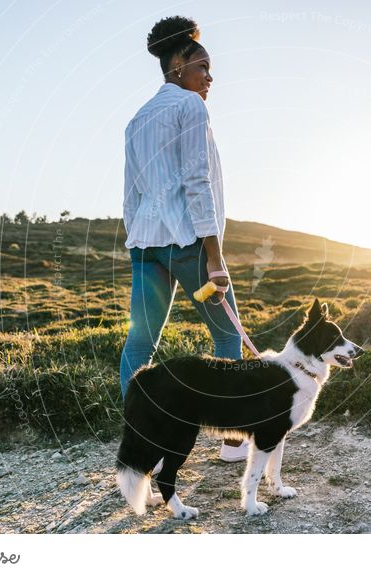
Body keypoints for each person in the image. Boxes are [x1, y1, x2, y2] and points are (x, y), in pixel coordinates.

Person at [120, 16, 247, 463]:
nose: (210, 77)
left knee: (140, 344)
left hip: (146, 245)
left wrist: (137, 243)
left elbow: (131, 193)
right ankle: (234, 441)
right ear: (178, 65)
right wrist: (215, 256)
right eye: (203, 66)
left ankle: (143, 439)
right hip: (188, 244)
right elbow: (197, 181)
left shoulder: (137, 120)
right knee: (228, 335)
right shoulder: (190, 106)